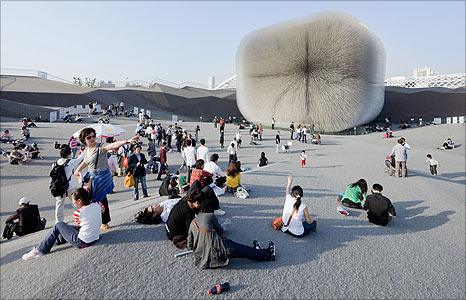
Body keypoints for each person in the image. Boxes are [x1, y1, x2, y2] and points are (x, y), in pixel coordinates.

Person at [74, 127, 139, 230]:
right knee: (97, 199)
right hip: (93, 176)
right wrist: (78, 169)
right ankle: (100, 221)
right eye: (89, 137)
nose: (92, 138)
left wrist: (126, 141)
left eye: (93, 136)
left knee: (96, 199)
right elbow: (86, 161)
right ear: (84, 139)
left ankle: (102, 222)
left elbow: (112, 146)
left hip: (101, 178)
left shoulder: (100, 148)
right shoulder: (87, 150)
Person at [187, 198, 275, 269]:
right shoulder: (210, 216)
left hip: (201, 256)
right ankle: (268, 255)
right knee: (243, 250)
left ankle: (257, 250)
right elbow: (220, 231)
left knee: (233, 244)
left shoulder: (193, 222)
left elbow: (189, 245)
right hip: (216, 253)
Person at [22, 188, 102, 260]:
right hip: (95, 237)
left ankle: (39, 250)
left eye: (74, 201)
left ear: (79, 201)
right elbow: (99, 212)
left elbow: (79, 222)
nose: (73, 203)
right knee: (65, 227)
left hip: (82, 242)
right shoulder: (97, 205)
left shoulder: (78, 213)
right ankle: (56, 240)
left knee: (59, 225)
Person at [52, 145, 84, 223]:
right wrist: (83, 151)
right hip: (70, 187)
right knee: (76, 202)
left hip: (59, 187)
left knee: (59, 204)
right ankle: (81, 217)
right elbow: (80, 159)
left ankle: (58, 221)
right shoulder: (70, 162)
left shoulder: (54, 164)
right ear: (69, 154)